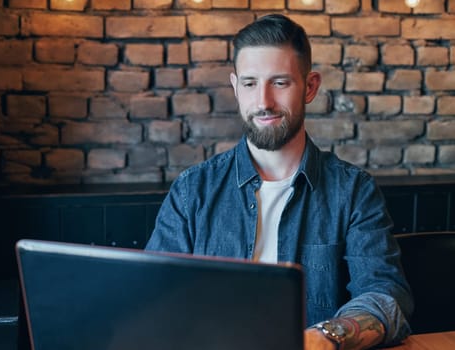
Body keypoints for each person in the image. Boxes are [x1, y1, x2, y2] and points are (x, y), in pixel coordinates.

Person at [145, 14, 413, 350]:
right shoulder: (191, 191)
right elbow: (151, 298)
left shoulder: (353, 190)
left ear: (310, 86)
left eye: (280, 83)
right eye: (250, 83)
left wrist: (323, 338)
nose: (263, 102)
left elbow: (386, 296)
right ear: (235, 87)